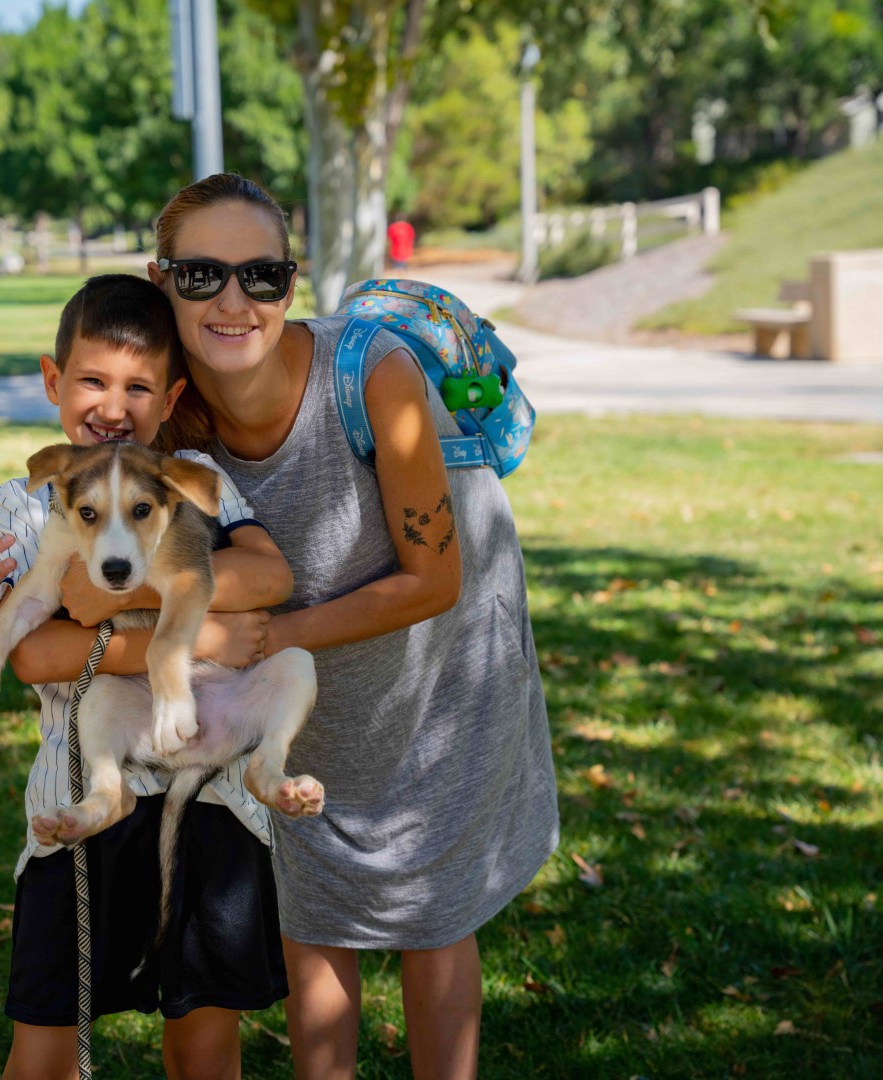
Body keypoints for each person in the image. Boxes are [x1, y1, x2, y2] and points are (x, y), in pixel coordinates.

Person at [150, 174, 557, 1079]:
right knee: (315, 904)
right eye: (201, 275)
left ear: (290, 283)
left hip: (443, 655)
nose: (233, 301)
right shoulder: (173, 415)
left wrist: (274, 636)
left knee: (430, 900)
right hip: (307, 675)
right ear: (161, 279)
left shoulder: (373, 373)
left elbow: (434, 579)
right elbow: (89, 507)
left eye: (262, 275)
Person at [0, 273, 294, 1080]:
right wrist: (205, 632)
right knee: (48, 1035)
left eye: (138, 387)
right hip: (80, 788)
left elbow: (267, 574)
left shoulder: (188, 475)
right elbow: (34, 653)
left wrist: (123, 587)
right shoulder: (23, 501)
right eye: (91, 379)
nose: (112, 406)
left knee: (203, 1036)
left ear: (170, 395)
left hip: (213, 793)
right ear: (54, 381)